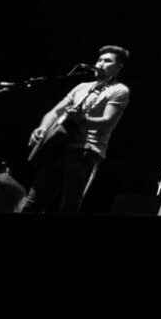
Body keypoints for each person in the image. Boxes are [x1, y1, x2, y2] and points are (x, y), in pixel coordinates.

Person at [17, 46, 131, 213]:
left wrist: (81, 119)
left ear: (118, 67)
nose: (100, 63)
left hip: (85, 152)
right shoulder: (82, 87)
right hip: (58, 148)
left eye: (107, 61)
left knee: (69, 206)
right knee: (32, 202)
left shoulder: (119, 90)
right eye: (99, 60)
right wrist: (43, 127)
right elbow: (55, 112)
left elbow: (107, 122)